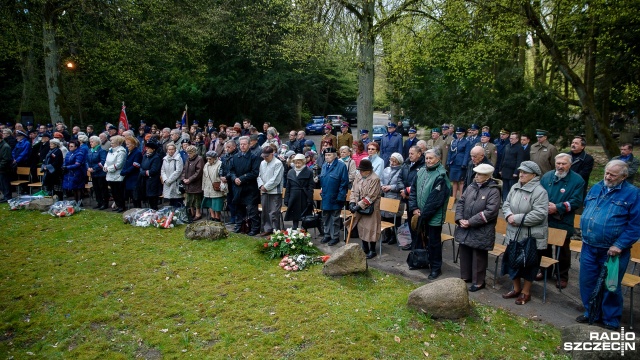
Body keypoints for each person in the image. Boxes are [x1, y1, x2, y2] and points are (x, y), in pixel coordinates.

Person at [576, 160, 640, 330]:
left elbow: (636, 225)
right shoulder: (597, 187)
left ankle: (610, 319)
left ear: (624, 176)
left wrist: (620, 244)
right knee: (587, 282)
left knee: (610, 285)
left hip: (613, 250)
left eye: (612, 175)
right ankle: (592, 313)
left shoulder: (633, 194)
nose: (608, 177)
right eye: (606, 172)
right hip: (589, 245)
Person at [501, 161, 549, 305]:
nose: (521, 174)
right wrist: (508, 215)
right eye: (520, 171)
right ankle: (516, 288)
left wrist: (516, 218)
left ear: (534, 175)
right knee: (512, 260)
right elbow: (506, 204)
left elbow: (540, 214)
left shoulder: (540, 192)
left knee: (529, 264)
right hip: (513, 232)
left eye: (525, 172)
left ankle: (525, 292)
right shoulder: (515, 187)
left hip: (531, 236)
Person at [539, 153, 585, 289]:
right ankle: (544, 271)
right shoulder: (547, 176)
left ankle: (562, 276)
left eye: (563, 164)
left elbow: (576, 201)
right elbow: (539, 193)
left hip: (563, 220)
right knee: (543, 247)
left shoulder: (577, 180)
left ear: (569, 165)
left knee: (563, 251)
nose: (560, 166)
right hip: (546, 218)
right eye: (558, 163)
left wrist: (557, 207)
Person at [455, 163, 501, 292]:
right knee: (465, 252)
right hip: (465, 226)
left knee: (478, 256)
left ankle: (479, 281)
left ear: (487, 176)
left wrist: (470, 222)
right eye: (476, 173)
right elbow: (461, 202)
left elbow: (490, 211)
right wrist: (459, 219)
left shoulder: (494, 190)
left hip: (481, 229)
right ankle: (465, 276)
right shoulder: (471, 186)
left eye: (480, 174)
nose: (476, 176)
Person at [408, 148, 452, 279]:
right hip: (420, 213)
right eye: (426, 158)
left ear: (438, 159)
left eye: (431, 158)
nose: (428, 161)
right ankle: (422, 262)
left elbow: (435, 201)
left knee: (433, 243)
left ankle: (435, 268)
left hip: (434, 217)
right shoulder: (421, 171)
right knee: (421, 240)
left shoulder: (441, 175)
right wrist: (414, 208)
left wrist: (423, 215)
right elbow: (414, 190)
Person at [349, 159, 382, 259]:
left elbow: (371, 196)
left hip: (371, 208)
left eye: (363, 170)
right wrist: (352, 202)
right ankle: (365, 247)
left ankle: (372, 250)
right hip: (359, 206)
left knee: (371, 228)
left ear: (368, 171)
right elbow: (353, 190)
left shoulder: (375, 179)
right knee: (362, 227)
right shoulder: (358, 176)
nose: (360, 172)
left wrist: (358, 206)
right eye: (360, 170)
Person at [229, 136, 261, 235]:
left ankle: (255, 228)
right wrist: (235, 178)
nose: (242, 146)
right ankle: (239, 226)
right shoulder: (235, 157)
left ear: (249, 144)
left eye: (244, 144)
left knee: (252, 210)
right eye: (241, 144)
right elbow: (231, 170)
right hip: (238, 187)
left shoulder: (254, 157)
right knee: (239, 208)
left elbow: (255, 172)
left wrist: (242, 179)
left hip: (250, 188)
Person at [319, 147, 349, 246]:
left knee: (335, 218)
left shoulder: (341, 166)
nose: (327, 157)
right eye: (326, 155)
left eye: (329, 155)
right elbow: (323, 179)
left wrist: (340, 197)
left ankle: (335, 236)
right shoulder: (324, 165)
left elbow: (344, 183)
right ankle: (327, 235)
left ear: (335, 156)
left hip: (336, 196)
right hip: (326, 195)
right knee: (326, 217)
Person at [400, 145, 425, 250]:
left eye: (412, 153)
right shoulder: (406, 164)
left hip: (417, 199)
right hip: (407, 197)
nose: (409, 155)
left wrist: (407, 191)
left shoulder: (423, 166)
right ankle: (413, 243)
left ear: (419, 154)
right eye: (409, 153)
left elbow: (420, 183)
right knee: (410, 222)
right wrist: (403, 190)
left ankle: (419, 246)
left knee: (417, 224)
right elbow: (400, 178)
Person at [257, 146, 284, 236]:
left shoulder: (278, 163)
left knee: (274, 212)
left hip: (275, 192)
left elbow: (276, 179)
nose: (265, 158)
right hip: (264, 191)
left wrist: (266, 187)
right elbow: (259, 176)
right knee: (265, 211)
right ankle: (267, 229)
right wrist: (261, 185)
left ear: (272, 154)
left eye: (267, 156)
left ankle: (275, 230)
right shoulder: (262, 163)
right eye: (263, 156)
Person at [284, 154, 315, 229]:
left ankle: (304, 230)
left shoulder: (309, 171)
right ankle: (294, 229)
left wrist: (309, 199)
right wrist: (286, 198)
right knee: (294, 213)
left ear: (303, 162)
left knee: (305, 214)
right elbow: (288, 187)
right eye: (295, 163)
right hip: (293, 195)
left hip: (304, 195)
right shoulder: (291, 172)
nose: (297, 165)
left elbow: (311, 187)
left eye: (299, 163)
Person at [380, 152, 404, 246]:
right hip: (385, 195)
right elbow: (381, 179)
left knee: (394, 218)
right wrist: (382, 186)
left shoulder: (402, 171)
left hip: (395, 197)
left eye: (395, 161)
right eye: (391, 160)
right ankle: (387, 235)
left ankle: (394, 236)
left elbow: (401, 184)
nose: (392, 162)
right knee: (384, 216)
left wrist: (391, 187)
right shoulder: (386, 169)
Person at [499, 132, 526, 201]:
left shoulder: (520, 148)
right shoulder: (507, 146)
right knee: (505, 188)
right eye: (510, 138)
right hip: (505, 170)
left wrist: (516, 172)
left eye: (513, 139)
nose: (511, 140)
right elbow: (503, 158)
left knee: (512, 188)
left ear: (517, 139)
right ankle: (505, 201)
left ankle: (512, 202)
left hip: (512, 172)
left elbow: (519, 161)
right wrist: (500, 169)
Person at [137, 140, 162, 210]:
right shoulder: (145, 156)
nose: (146, 149)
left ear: (153, 149)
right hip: (144, 180)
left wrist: (144, 172)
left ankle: (154, 210)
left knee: (152, 197)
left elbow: (153, 170)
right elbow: (141, 166)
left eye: (148, 148)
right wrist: (142, 171)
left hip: (152, 180)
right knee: (146, 196)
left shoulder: (156, 157)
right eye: (146, 148)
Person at [182, 145, 205, 221]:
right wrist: (183, 178)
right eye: (188, 153)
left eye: (190, 153)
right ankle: (192, 213)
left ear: (194, 152)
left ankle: (198, 213)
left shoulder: (199, 159)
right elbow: (184, 170)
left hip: (196, 183)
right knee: (189, 199)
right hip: (188, 183)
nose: (189, 154)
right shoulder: (188, 159)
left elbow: (199, 172)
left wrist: (190, 179)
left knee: (196, 199)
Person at [202, 151, 225, 221]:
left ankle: (217, 217)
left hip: (216, 187)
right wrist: (203, 187)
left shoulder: (220, 164)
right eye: (207, 159)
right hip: (207, 187)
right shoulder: (206, 164)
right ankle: (212, 216)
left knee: (217, 203)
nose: (208, 160)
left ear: (215, 158)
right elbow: (204, 176)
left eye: (210, 159)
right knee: (209, 202)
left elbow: (221, 175)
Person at [87, 136, 109, 209]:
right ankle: (99, 202)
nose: (90, 143)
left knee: (102, 188)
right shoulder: (90, 150)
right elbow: (86, 160)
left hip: (100, 173)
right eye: (90, 142)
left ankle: (105, 203)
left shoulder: (101, 150)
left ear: (97, 142)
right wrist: (88, 168)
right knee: (96, 189)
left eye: (92, 142)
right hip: (93, 173)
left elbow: (103, 161)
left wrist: (94, 168)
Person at [448, 127, 470, 200]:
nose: (458, 135)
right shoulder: (454, 141)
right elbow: (450, 152)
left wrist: (464, 163)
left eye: (460, 134)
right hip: (453, 163)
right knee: (454, 181)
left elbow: (467, 154)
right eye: (457, 134)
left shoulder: (466, 142)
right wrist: (448, 162)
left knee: (461, 181)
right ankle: (453, 197)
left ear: (463, 134)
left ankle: (461, 197)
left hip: (461, 164)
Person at [61, 140, 86, 204]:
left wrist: (67, 167)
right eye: (69, 146)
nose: (70, 147)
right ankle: (75, 201)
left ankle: (79, 202)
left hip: (78, 173)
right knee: (74, 188)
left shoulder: (79, 153)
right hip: (70, 173)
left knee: (78, 188)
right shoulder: (68, 153)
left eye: (72, 146)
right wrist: (64, 166)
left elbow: (78, 164)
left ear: (76, 147)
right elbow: (65, 161)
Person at [121, 137, 143, 208]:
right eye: (126, 144)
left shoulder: (137, 153)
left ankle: (138, 210)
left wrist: (126, 172)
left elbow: (135, 165)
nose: (127, 146)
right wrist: (123, 171)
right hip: (128, 177)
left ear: (133, 144)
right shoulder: (128, 152)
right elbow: (126, 163)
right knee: (130, 194)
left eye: (128, 144)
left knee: (135, 196)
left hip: (135, 177)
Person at [160, 143, 184, 208]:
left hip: (175, 182)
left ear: (175, 150)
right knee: (171, 201)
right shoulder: (165, 159)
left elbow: (178, 171)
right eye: (169, 149)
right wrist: (165, 179)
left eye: (172, 149)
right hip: (167, 182)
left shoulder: (178, 158)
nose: (170, 151)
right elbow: (162, 170)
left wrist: (169, 180)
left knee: (177, 201)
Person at [0, 132, 13, 202]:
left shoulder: (5, 146)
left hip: (5, 169)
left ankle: (7, 197)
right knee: (2, 184)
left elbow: (6, 159)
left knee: (5, 183)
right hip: (2, 169)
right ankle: (5, 196)